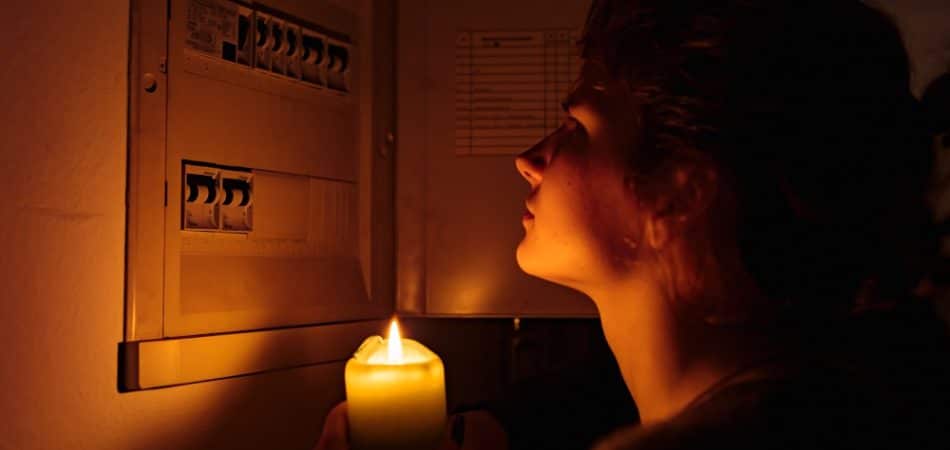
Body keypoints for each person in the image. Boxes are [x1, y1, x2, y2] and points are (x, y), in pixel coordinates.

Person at [316, 1, 950, 449]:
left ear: (682, 193)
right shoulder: (856, 393)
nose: (530, 160)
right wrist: (504, 425)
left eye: (577, 130)